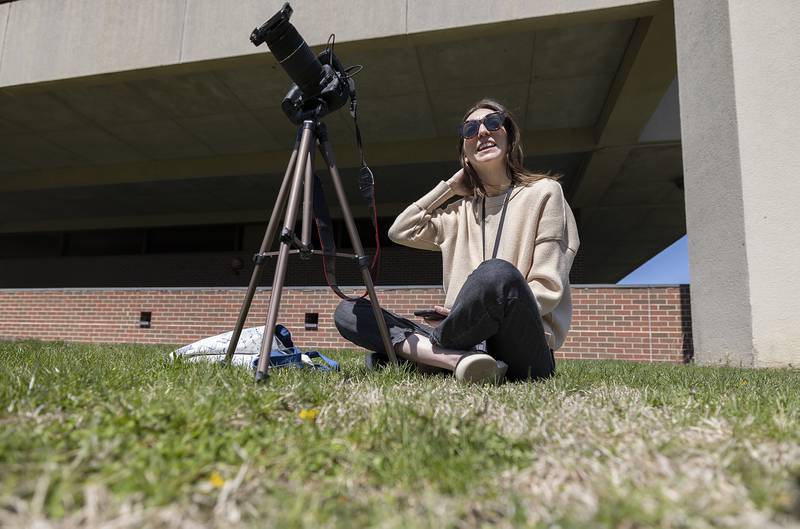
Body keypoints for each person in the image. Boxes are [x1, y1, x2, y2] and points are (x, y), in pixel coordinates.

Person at [334, 99, 579, 383]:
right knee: (349, 311)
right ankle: (459, 362)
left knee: (496, 272)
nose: (483, 132)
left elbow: (547, 289)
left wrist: (468, 312)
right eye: (470, 129)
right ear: (464, 153)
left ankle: (422, 355)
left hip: (522, 348)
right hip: (460, 338)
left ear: (509, 136)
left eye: (493, 123)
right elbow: (400, 231)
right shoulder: (459, 212)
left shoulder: (545, 193)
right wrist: (449, 187)